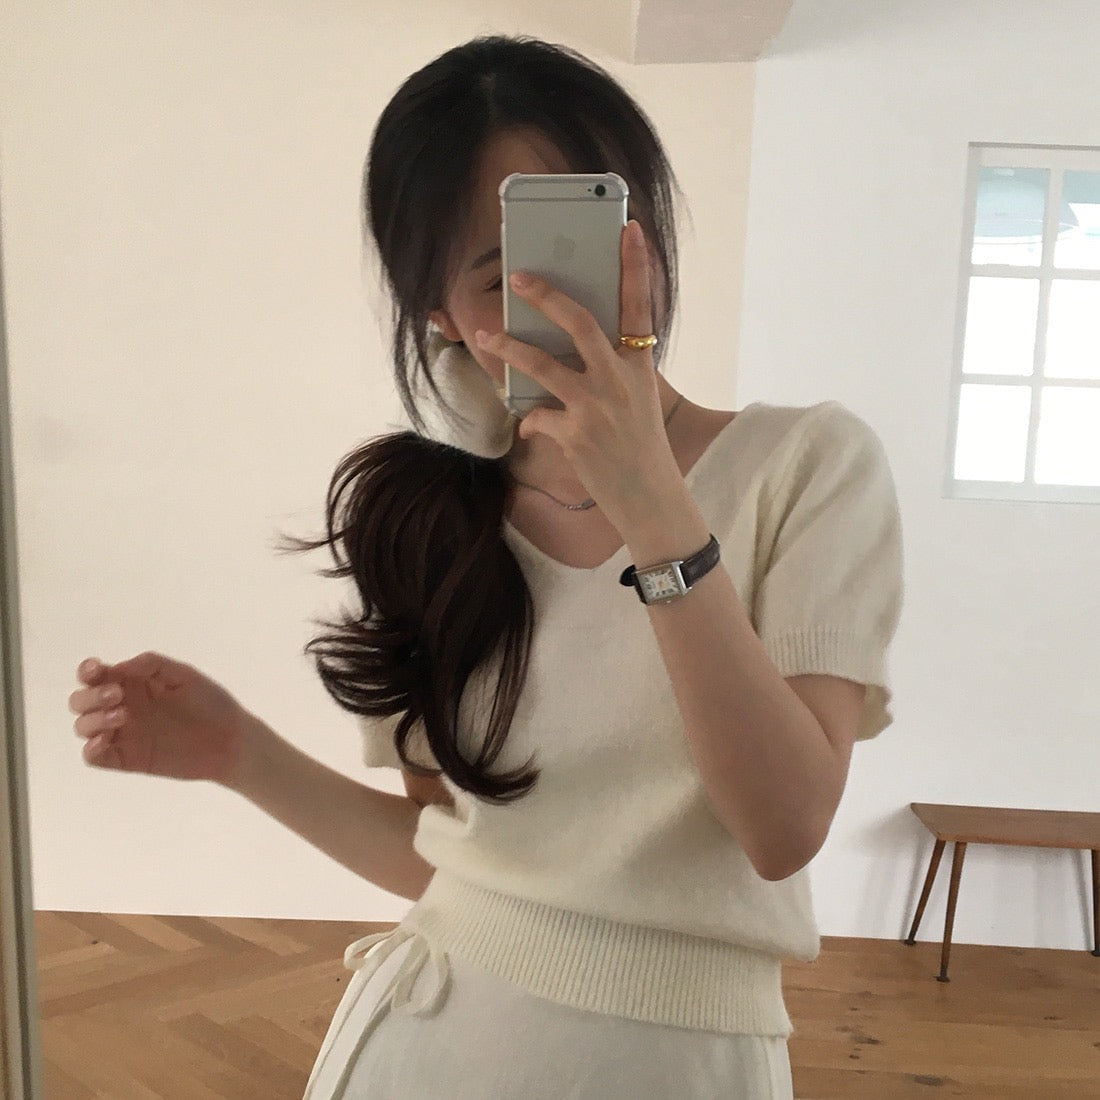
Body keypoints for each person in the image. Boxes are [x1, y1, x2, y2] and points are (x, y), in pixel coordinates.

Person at [68, 34, 904, 1100]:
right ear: (441, 315)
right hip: (425, 1041)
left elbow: (783, 827)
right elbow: (448, 859)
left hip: (689, 1061)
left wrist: (650, 501)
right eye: (507, 275)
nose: (570, 295)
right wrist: (240, 752)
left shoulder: (809, 464)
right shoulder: (420, 514)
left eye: (598, 229)